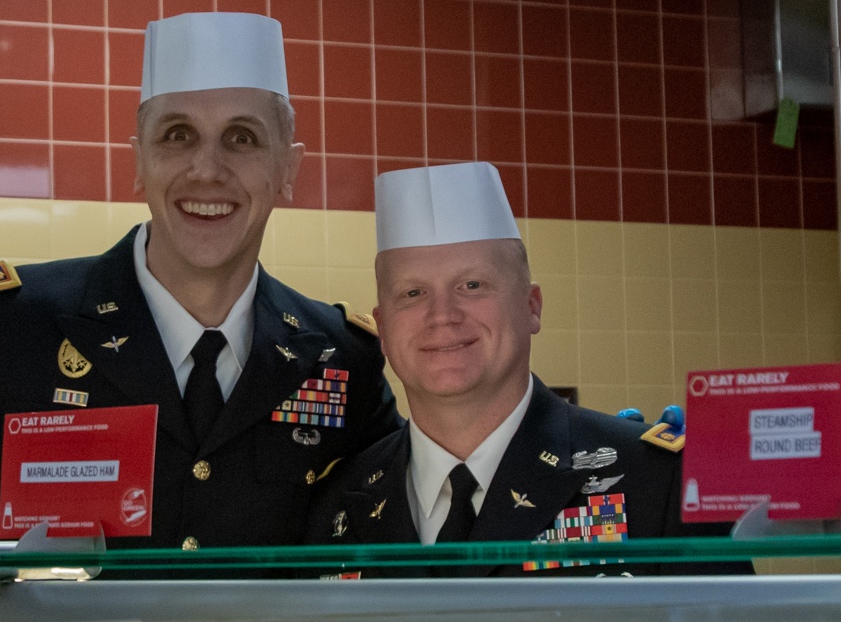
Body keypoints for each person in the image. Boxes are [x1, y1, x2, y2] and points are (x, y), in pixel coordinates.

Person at [0, 12, 402, 556]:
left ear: (288, 169)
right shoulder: (10, 329)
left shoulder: (339, 358)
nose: (207, 169)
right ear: (139, 159)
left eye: (242, 137)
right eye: (177, 134)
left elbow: (406, 539)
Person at [304, 162, 750, 577]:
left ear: (531, 306)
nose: (442, 315)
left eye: (472, 285)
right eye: (413, 293)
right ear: (383, 328)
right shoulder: (330, 503)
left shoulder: (659, 481)